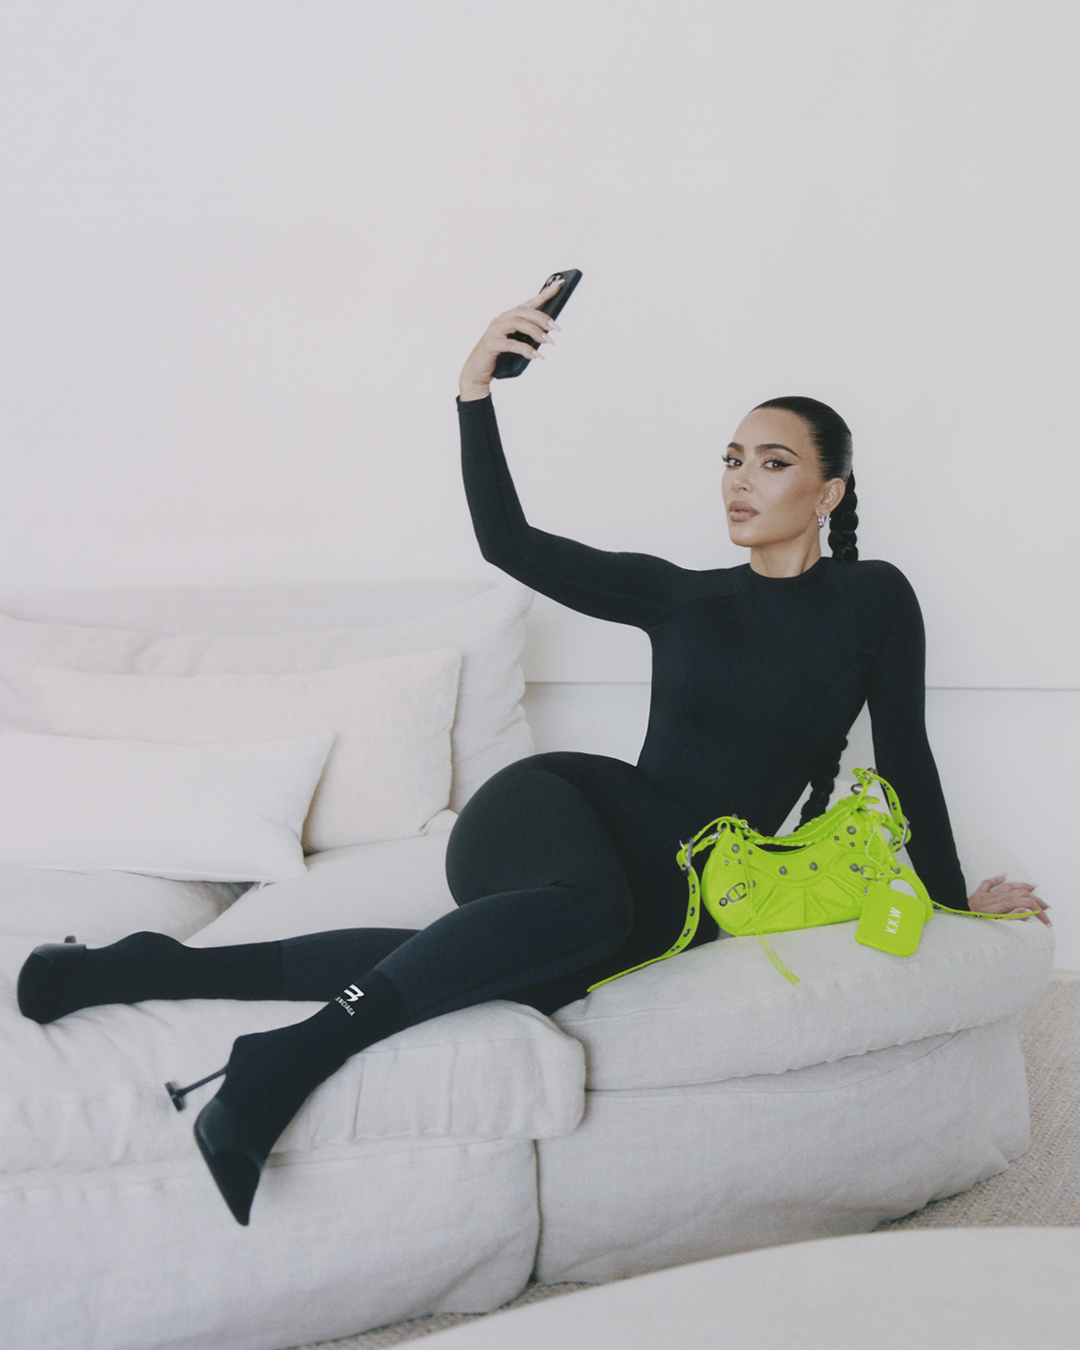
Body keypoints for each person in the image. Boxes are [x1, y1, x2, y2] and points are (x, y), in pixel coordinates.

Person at [16, 282, 1048, 1226]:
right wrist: (474, 391)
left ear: (827, 493)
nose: (740, 480)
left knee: (523, 963)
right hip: (557, 813)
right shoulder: (681, 596)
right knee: (583, 919)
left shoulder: (875, 602)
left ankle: (131, 971)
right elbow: (508, 542)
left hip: (673, 888)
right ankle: (281, 1066)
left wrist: (952, 901)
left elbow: (906, 758)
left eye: (771, 462)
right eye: (731, 459)